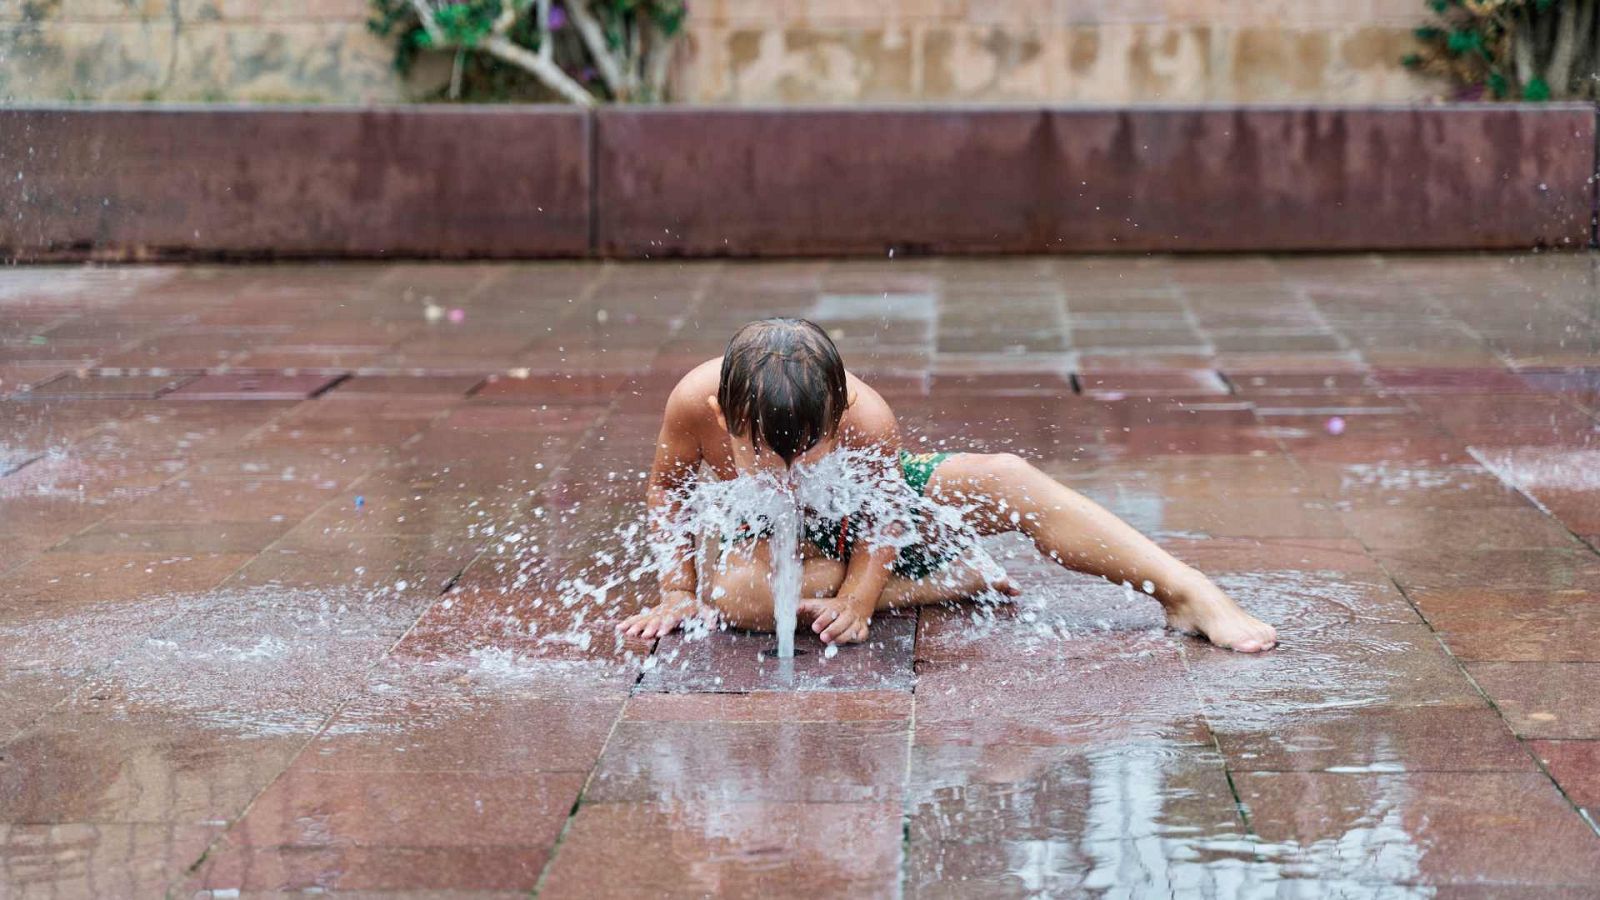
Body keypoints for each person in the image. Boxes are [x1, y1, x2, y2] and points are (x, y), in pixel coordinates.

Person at [617, 317, 1277, 652]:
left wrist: (858, 595)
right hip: (768, 546)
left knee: (1010, 478)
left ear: (839, 416)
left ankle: (1189, 593)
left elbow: (882, 517)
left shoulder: (866, 418)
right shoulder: (691, 404)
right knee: (735, 598)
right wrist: (677, 591)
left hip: (870, 515)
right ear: (721, 418)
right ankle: (944, 583)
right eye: (760, 454)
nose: (787, 477)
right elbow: (669, 490)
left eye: (806, 455)